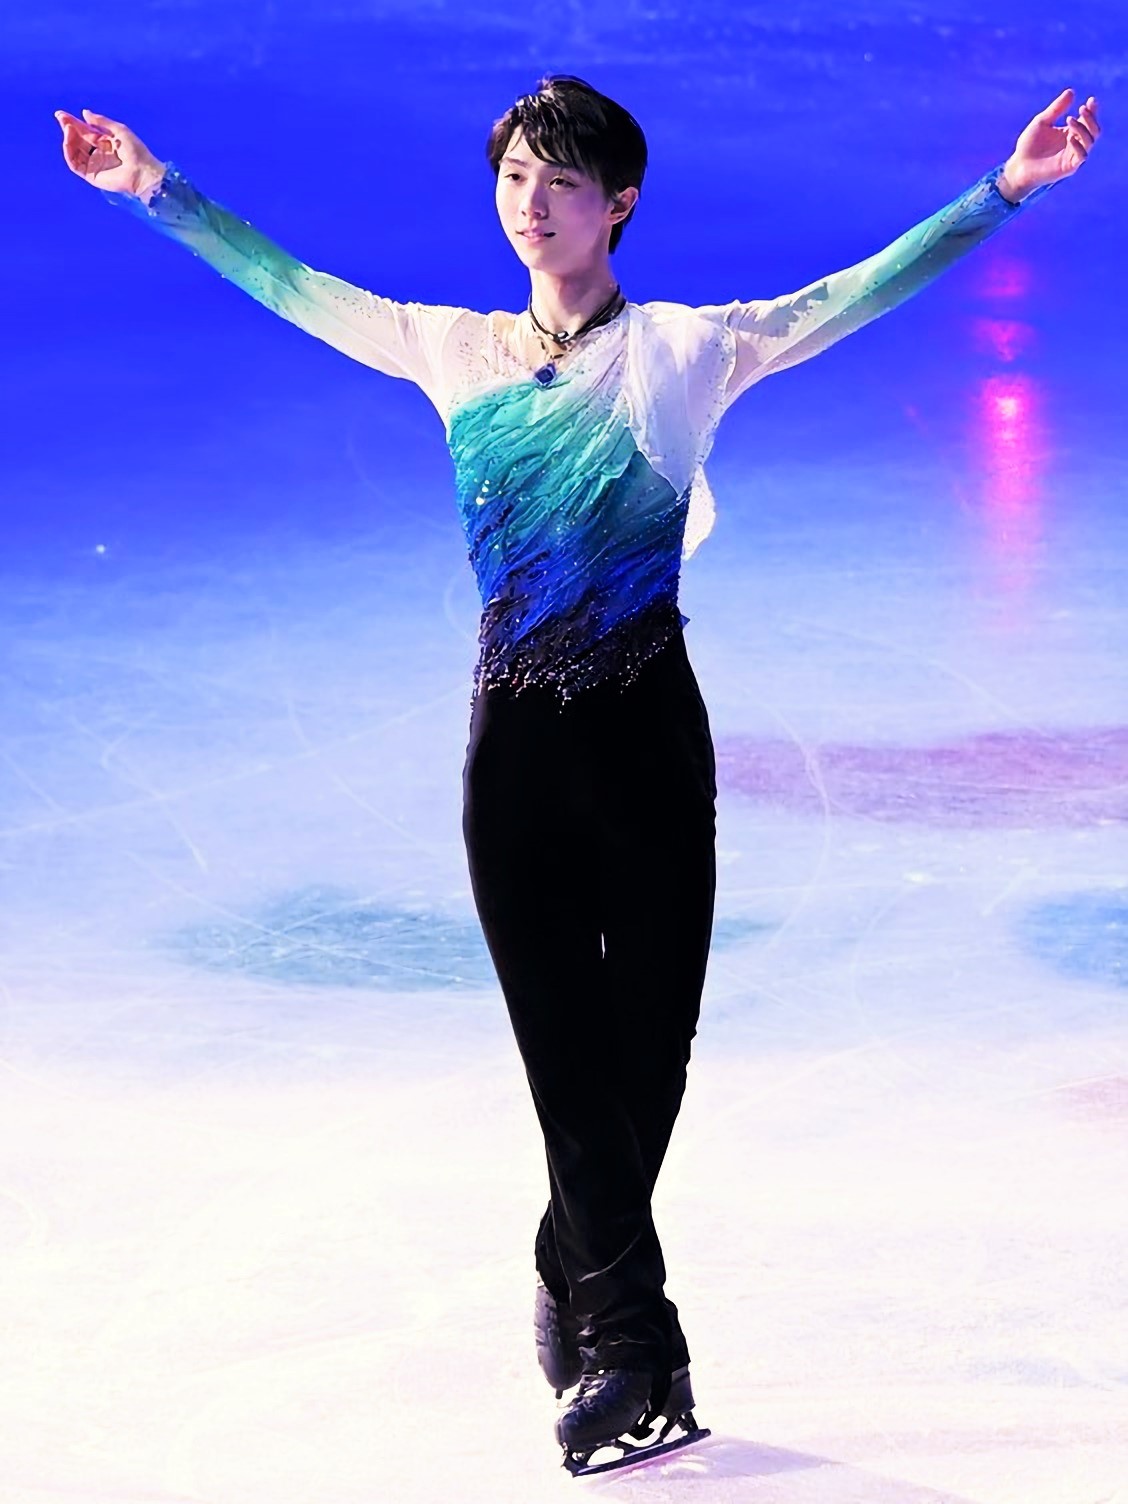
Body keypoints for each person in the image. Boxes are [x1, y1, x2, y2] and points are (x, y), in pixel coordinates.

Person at [54, 73, 1099, 1474]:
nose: (530, 203)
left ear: (620, 205)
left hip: (650, 737)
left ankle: (571, 1265)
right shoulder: (450, 352)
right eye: (513, 181)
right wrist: (153, 191)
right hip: (518, 760)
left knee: (645, 1066)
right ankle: (633, 1353)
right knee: (567, 1067)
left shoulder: (688, 348)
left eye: (560, 181)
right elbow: (296, 288)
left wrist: (1006, 192)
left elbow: (851, 296)